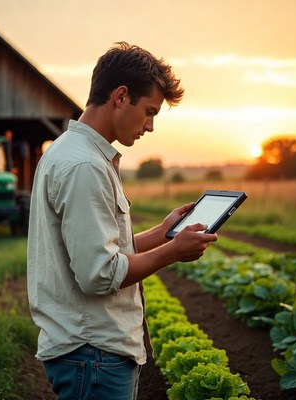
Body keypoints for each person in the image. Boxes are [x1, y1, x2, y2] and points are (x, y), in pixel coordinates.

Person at [27, 42, 218, 400]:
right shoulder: (85, 166)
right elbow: (99, 274)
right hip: (94, 353)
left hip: (87, 352)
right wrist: (173, 251)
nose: (150, 126)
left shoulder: (70, 152)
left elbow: (98, 247)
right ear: (120, 96)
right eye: (149, 111)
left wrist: (162, 234)